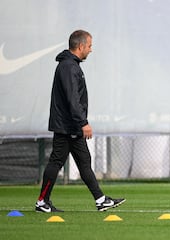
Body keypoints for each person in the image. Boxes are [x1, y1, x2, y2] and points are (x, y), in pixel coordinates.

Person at [35, 30, 126, 212]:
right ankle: (42, 202)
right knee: (57, 162)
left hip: (70, 125)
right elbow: (72, 98)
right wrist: (83, 122)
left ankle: (100, 200)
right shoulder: (69, 67)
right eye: (90, 46)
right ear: (81, 46)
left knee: (84, 161)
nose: (91, 50)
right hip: (68, 125)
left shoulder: (70, 65)